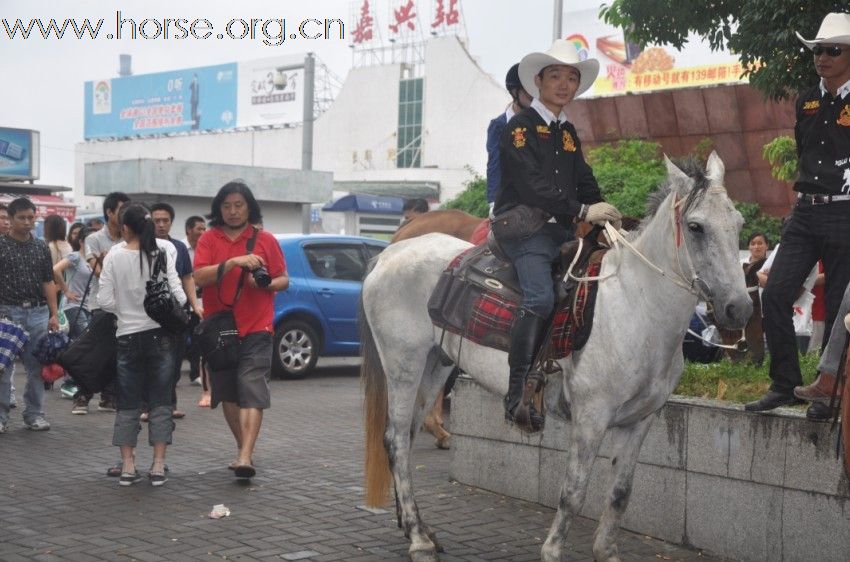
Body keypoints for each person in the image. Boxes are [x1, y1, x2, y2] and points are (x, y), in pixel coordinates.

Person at [493, 40, 621, 430]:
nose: (564, 85)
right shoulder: (519, 127)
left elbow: (583, 181)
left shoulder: (568, 133)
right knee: (540, 296)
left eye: (571, 78)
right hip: (524, 230)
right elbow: (531, 186)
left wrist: (605, 215)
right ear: (538, 81)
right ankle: (515, 391)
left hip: (558, 232)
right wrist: (583, 212)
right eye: (555, 77)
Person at [746, 12, 850, 412]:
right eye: (817, 50)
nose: (822, 57)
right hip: (807, 210)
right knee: (773, 292)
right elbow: (804, 150)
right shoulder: (806, 99)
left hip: (846, 213)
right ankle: (784, 383)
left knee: (841, 303)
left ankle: (832, 391)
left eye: (832, 50)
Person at [193, 181, 288, 479]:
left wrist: (266, 284)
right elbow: (200, 277)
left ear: (249, 207)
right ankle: (243, 448)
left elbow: (283, 278)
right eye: (227, 206)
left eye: (239, 205)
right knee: (229, 393)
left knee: (251, 388)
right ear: (218, 209)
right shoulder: (209, 239)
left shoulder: (266, 239)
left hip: (258, 326)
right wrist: (234, 262)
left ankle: (245, 455)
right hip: (220, 329)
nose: (233, 211)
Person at [98, 203, 186, 486]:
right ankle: (158, 466)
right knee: (161, 401)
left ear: (125, 227)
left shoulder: (113, 255)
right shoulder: (162, 252)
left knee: (128, 403)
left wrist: (125, 309)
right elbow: (179, 296)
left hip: (126, 336)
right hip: (160, 336)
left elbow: (104, 301)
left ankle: (127, 466)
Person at [0, 198, 61, 433]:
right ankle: (2, 416)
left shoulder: (41, 247)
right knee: (3, 368)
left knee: (36, 367)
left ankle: (34, 414)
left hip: (37, 312)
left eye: (31, 217)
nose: (27, 222)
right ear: (10, 219)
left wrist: (54, 314)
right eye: (21, 218)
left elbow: (48, 281)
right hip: (6, 313)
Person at [150, 202, 203, 419]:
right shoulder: (141, 246)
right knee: (153, 359)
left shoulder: (179, 249)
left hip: (178, 313)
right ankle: (149, 405)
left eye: (166, 221)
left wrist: (194, 305)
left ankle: (170, 404)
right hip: (150, 314)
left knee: (175, 358)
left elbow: (187, 278)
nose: (161, 225)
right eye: (156, 221)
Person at [85, 192, 131, 413]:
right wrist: (107, 263)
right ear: (109, 212)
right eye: (120, 209)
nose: (124, 214)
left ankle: (109, 397)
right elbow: (97, 272)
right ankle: (81, 395)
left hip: (125, 306)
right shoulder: (93, 239)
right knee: (97, 353)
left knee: (118, 352)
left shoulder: (130, 238)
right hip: (100, 304)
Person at [53, 227, 95, 414]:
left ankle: (70, 382)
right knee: (82, 346)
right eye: (90, 240)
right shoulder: (76, 257)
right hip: (73, 308)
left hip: (90, 307)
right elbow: (55, 270)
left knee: (78, 346)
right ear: (81, 241)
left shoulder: (95, 260)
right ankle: (71, 384)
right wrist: (66, 291)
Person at [486, 63, 533, 213]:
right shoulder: (499, 125)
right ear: (515, 92)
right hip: (511, 201)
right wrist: (493, 201)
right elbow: (494, 164)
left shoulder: (543, 123)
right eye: (529, 93)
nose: (535, 98)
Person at [0, 204, 17, 410]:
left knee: (7, 356)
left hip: (9, 309)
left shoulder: (17, 245)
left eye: (6, 218)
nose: (5, 221)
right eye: (1, 218)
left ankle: (9, 392)